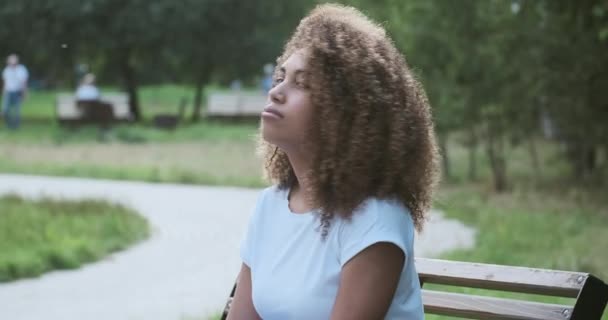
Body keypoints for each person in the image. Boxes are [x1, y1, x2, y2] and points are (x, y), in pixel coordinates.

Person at [228, 4, 439, 320]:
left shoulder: (375, 219)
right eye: (280, 77)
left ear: (344, 113)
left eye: (301, 83)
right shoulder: (270, 207)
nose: (276, 93)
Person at [1, 54, 29, 129]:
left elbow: (24, 82)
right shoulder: (6, 70)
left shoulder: (21, 69)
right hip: (8, 92)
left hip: (17, 92)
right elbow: (5, 83)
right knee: (5, 110)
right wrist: (3, 93)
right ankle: (9, 124)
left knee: (17, 111)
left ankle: (15, 127)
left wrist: (24, 93)